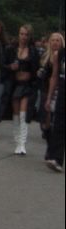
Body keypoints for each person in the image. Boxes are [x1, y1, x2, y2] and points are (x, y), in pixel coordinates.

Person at [8, 25, 40, 156]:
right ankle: (17, 142)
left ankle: (22, 143)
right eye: (21, 34)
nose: (23, 37)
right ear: (18, 34)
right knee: (16, 114)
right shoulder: (11, 49)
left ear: (29, 36)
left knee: (23, 114)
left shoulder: (33, 51)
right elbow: (3, 64)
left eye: (26, 34)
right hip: (14, 84)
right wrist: (10, 67)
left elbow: (36, 68)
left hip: (27, 85)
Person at [42, 40, 65, 172]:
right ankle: (57, 159)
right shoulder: (60, 54)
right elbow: (54, 76)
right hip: (62, 92)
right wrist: (49, 97)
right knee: (59, 125)